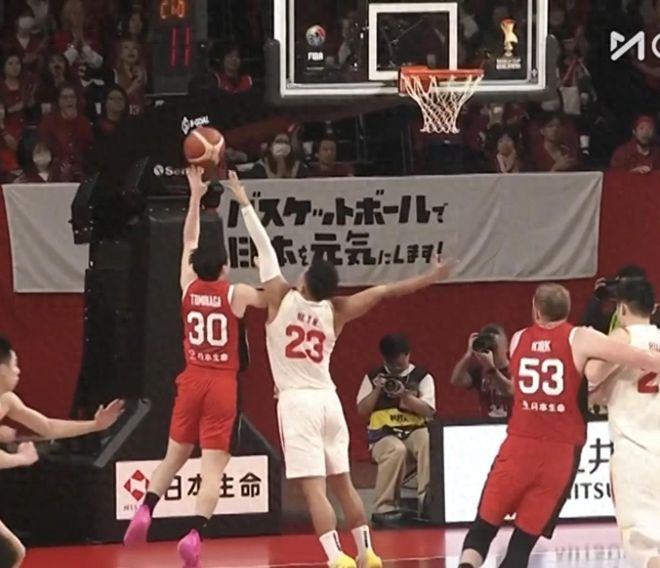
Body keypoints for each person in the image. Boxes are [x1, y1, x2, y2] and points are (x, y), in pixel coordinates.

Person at [226, 171, 455, 568]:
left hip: (297, 403)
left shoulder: (280, 297)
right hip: (328, 401)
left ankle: (336, 558)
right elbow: (385, 291)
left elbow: (264, 247)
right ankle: (367, 552)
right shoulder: (337, 310)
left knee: (314, 490)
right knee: (344, 484)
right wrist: (430, 277)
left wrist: (244, 202)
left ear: (303, 281)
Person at [458, 283, 660, 568]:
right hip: (559, 455)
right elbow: (632, 357)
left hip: (518, 446)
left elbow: (518, 388)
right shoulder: (580, 338)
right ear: (567, 308)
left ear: (536, 309)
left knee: (482, 528)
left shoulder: (517, 339)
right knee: (521, 547)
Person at [122, 167, 266, 567]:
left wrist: (194, 196)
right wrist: (262, 259)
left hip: (191, 378)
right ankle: (194, 534)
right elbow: (272, 295)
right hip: (222, 384)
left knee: (173, 457)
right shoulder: (236, 294)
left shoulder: (188, 285)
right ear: (223, 267)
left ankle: (146, 508)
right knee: (212, 468)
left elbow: (188, 240)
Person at [0, 336, 124, 567]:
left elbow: (47, 427)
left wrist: (95, 425)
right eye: (14, 364)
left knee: (13, 553)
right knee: (12, 552)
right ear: (1, 369)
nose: (18, 371)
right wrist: (21, 458)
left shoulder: (7, 400)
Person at [586, 279, 660, 568]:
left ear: (622, 309)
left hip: (635, 454)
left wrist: (591, 345)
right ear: (652, 308)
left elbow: (592, 375)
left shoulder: (623, 337)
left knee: (643, 546)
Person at [356, 334, 435, 525]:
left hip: (413, 431)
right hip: (382, 435)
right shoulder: (373, 377)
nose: (395, 369)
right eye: (391, 364)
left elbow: (429, 411)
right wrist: (377, 389)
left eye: (399, 365)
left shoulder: (422, 377)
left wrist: (405, 396)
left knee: (428, 440)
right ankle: (385, 508)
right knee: (395, 449)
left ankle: (427, 500)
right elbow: (361, 411)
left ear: (408, 355)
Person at [450, 325, 512, 418]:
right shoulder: (480, 370)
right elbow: (456, 380)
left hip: (512, 423)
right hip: (487, 424)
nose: (491, 351)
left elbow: (510, 390)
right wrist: (469, 354)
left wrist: (492, 369)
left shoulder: (517, 368)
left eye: (494, 347)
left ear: (506, 347)